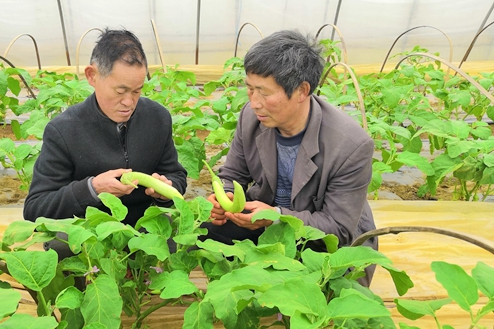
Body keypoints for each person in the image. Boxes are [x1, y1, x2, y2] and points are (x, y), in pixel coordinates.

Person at [204, 29, 377, 285]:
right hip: (265, 224)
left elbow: (338, 228)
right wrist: (223, 198)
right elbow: (232, 175)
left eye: (264, 92)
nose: (254, 102)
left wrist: (276, 216)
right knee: (199, 232)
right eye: (250, 89)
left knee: (320, 286)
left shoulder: (351, 145)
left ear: (301, 91)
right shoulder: (250, 117)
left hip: (319, 239)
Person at [24, 29, 187, 255]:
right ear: (92, 75)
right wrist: (92, 189)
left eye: (137, 91)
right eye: (120, 91)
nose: (129, 102)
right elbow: (36, 208)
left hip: (142, 229)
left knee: (187, 240)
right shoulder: (63, 129)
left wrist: (166, 189)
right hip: (91, 232)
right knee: (61, 244)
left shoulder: (157, 118)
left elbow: (176, 176)